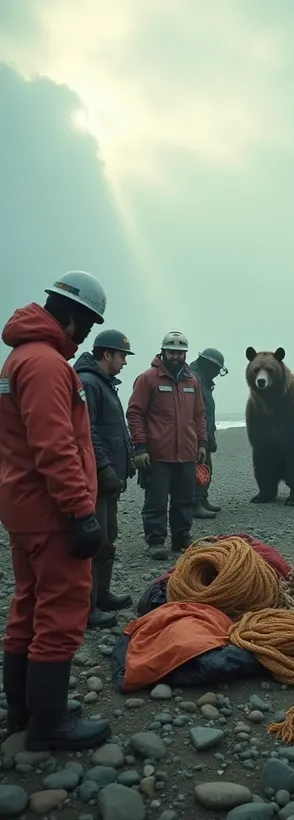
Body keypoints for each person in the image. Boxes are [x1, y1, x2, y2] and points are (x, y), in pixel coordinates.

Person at [0, 270, 111, 751]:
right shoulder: (45, 365)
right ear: (71, 317)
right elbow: (55, 445)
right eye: (85, 325)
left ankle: (24, 712)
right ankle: (48, 724)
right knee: (62, 610)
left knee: (27, 604)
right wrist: (80, 512)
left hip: (24, 507)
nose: (83, 336)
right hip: (51, 513)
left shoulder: (18, 359)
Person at [74, 329, 136, 629]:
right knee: (95, 540)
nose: (124, 361)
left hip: (110, 479)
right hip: (97, 480)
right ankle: (87, 608)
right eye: (122, 355)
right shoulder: (89, 382)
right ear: (107, 354)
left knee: (107, 538)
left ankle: (101, 595)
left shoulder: (104, 383)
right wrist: (104, 468)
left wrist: (128, 459)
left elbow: (115, 428)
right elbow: (88, 431)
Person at [126, 331, 207, 560]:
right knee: (156, 500)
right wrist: (140, 447)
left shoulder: (192, 381)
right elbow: (134, 413)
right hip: (158, 455)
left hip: (186, 453)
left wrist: (201, 443)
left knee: (185, 499)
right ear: (163, 351)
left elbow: (199, 414)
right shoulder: (148, 378)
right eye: (172, 352)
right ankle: (156, 541)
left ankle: (181, 537)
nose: (176, 357)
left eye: (181, 353)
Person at [189, 348, 227, 519]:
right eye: (216, 369)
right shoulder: (194, 380)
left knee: (206, 469)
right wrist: (202, 437)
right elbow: (196, 412)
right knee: (199, 469)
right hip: (196, 435)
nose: (217, 374)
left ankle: (202, 499)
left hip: (204, 432)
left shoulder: (202, 380)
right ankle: (195, 503)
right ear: (208, 365)